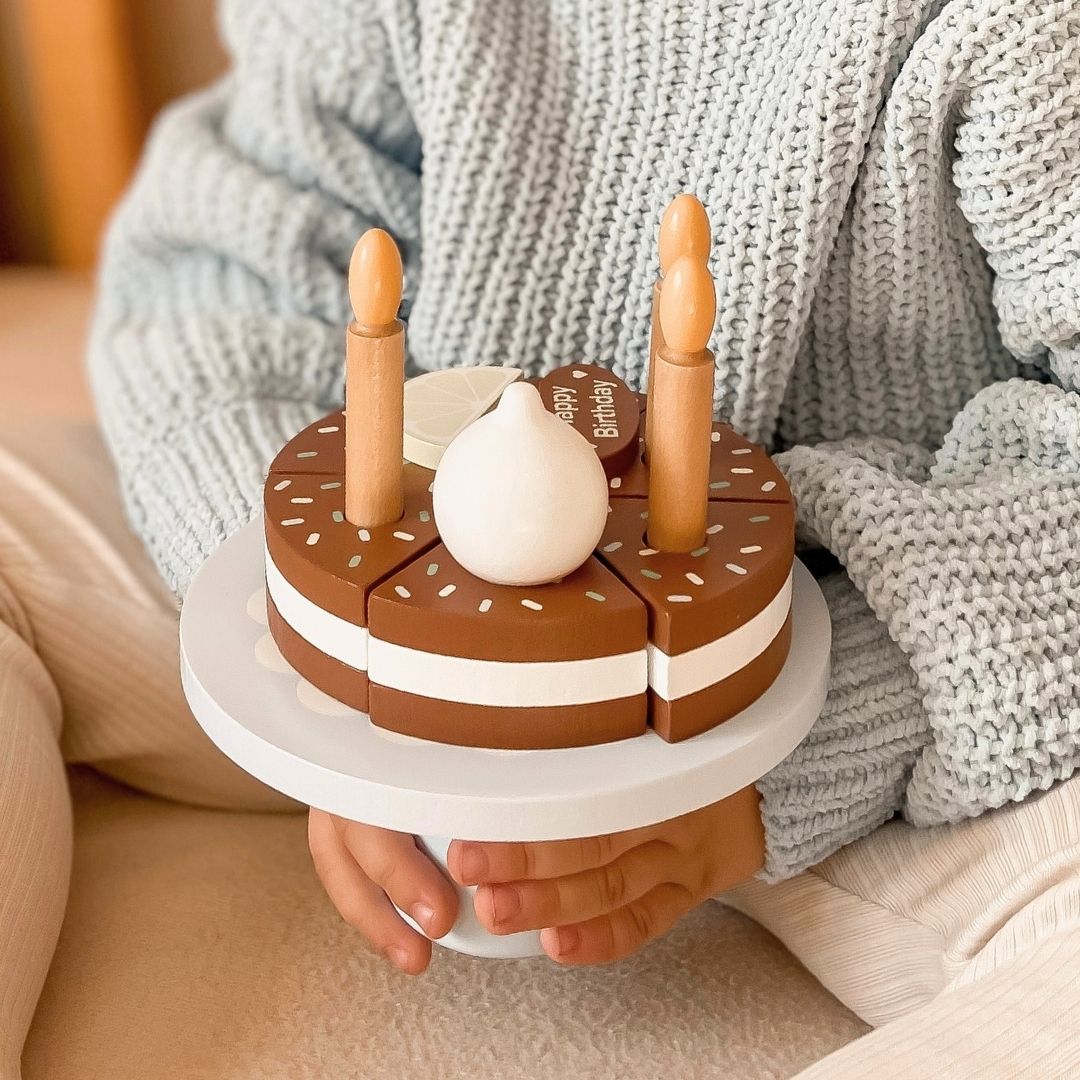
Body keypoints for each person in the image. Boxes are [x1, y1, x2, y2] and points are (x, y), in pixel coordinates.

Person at [4, 0, 1078, 1074]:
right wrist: (329, 654)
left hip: (876, 677)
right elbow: (236, 268)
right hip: (383, 608)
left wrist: (833, 728)